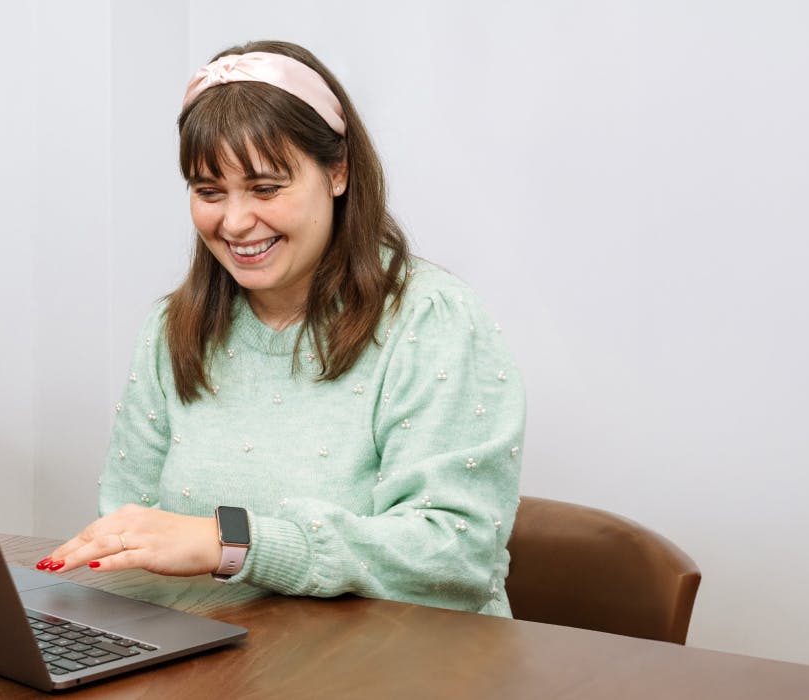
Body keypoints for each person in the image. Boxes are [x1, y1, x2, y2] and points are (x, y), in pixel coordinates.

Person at [39, 40, 526, 616]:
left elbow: (457, 555)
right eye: (208, 192)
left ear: (337, 172)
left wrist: (234, 544)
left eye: (267, 188)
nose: (236, 222)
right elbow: (132, 531)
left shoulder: (431, 318)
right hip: (218, 660)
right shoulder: (173, 328)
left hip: (395, 662)